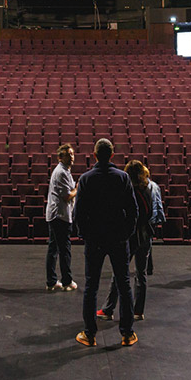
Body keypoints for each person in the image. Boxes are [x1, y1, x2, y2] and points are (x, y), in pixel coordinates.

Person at [74, 138, 139, 348]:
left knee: (91, 286)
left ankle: (89, 334)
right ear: (112, 155)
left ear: (94, 155)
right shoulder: (123, 178)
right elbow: (133, 211)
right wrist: (126, 234)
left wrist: (85, 235)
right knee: (124, 284)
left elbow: (79, 213)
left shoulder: (85, 179)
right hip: (118, 238)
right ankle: (127, 334)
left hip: (95, 239)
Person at [98, 160, 154, 321]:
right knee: (141, 274)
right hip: (145, 235)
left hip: (130, 236)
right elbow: (150, 213)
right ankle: (138, 311)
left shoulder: (127, 191)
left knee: (119, 272)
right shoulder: (147, 189)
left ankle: (108, 309)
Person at [46, 143, 79, 292]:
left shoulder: (65, 171)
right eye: (68, 154)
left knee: (54, 248)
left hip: (57, 215)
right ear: (60, 157)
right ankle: (67, 281)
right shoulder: (62, 172)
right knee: (64, 249)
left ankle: (52, 281)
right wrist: (77, 189)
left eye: (72, 154)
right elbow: (67, 196)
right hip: (60, 215)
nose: (71, 157)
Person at [145, 173, 166, 276]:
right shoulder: (154, 185)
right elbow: (158, 203)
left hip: (147, 218)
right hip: (152, 217)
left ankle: (147, 267)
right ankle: (149, 268)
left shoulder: (142, 186)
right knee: (148, 242)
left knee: (145, 243)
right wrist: (160, 217)